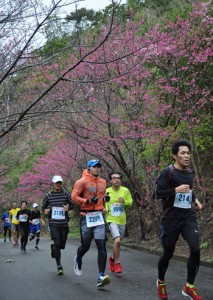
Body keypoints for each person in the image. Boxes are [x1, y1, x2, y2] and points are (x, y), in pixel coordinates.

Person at [156, 139, 203, 300]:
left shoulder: (189, 173)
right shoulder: (167, 172)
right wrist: (174, 190)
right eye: (183, 153)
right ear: (174, 156)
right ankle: (161, 282)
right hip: (171, 218)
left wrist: (195, 199)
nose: (187, 155)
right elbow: (157, 193)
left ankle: (189, 286)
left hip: (188, 216)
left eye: (188, 153)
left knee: (196, 249)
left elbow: (189, 190)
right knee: (168, 252)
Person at [71, 159, 110, 288]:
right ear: (88, 168)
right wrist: (87, 202)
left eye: (99, 166)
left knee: (102, 246)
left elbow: (102, 195)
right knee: (85, 246)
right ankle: (78, 258)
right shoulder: (81, 182)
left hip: (99, 217)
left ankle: (100, 276)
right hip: (86, 216)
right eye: (94, 167)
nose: (97, 168)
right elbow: (74, 197)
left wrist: (105, 200)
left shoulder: (103, 181)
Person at [42, 175, 73, 275]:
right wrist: (45, 210)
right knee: (57, 243)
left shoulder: (66, 194)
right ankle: (59, 266)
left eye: (60, 183)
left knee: (62, 245)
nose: (58, 185)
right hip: (53, 223)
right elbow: (43, 207)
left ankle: (54, 247)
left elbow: (72, 204)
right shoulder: (48, 195)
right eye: (56, 183)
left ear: (61, 184)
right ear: (53, 184)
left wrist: (68, 207)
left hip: (64, 223)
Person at [105, 172, 133, 273]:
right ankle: (117, 263)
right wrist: (104, 210)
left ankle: (112, 258)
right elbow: (104, 204)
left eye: (119, 178)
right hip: (111, 220)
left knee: (118, 243)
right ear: (111, 181)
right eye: (114, 178)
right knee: (117, 241)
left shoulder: (125, 190)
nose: (117, 180)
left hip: (122, 220)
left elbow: (130, 203)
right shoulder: (107, 191)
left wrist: (124, 201)